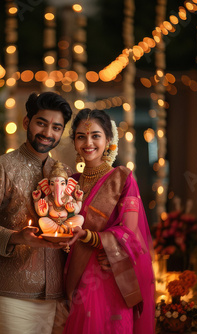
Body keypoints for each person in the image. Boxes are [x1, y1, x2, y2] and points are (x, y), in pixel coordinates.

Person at [0, 92, 73, 334]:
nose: (48, 133)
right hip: (11, 296)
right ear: (27, 122)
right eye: (41, 123)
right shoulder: (1, 167)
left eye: (56, 127)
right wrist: (17, 237)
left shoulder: (64, 173)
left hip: (57, 297)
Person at [63, 108, 155, 333]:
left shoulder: (122, 179)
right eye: (81, 136)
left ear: (108, 140)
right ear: (74, 142)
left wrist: (90, 237)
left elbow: (129, 232)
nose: (88, 143)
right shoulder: (70, 183)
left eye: (96, 135)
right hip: (75, 276)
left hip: (109, 275)